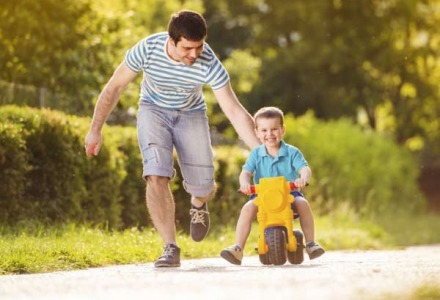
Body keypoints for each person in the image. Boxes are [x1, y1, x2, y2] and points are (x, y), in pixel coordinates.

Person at [84, 10, 260, 268]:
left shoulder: (208, 61)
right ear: (172, 39)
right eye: (188, 48)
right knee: (156, 173)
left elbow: (233, 109)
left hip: (192, 113)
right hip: (152, 110)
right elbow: (114, 87)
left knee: (205, 187)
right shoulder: (147, 49)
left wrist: (261, 151)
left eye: (199, 47)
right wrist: (95, 128)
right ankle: (170, 246)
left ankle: (198, 203)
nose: (194, 54)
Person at [220, 106, 325, 265]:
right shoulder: (256, 154)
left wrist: (303, 179)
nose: (269, 134)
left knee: (302, 203)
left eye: (274, 129)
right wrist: (245, 183)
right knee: (247, 208)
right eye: (264, 130)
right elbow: (246, 172)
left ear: (282, 130)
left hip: (289, 194)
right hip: (262, 196)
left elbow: (304, 168)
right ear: (256, 132)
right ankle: (238, 249)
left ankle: (310, 243)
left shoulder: (292, 152)